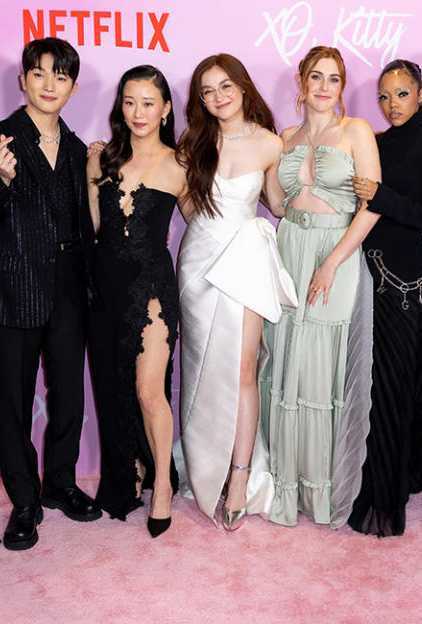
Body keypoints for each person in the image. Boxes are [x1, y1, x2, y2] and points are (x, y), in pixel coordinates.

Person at [0, 37, 101, 552]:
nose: (49, 85)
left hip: (68, 286)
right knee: (13, 400)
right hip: (12, 284)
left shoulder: (76, 147)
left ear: (72, 85)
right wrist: (0, 178)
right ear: (22, 80)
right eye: (39, 74)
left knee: (68, 393)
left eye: (60, 77)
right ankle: (24, 501)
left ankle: (60, 483)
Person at [174, 54, 297, 530]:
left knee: (244, 368)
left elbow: (278, 205)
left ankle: (240, 478)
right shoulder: (192, 142)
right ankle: (207, 463)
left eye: (225, 86)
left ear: (243, 87)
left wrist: (313, 178)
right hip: (199, 265)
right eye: (207, 91)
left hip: (245, 259)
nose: (218, 97)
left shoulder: (270, 143)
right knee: (201, 367)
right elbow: (187, 204)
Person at [260, 45, 380, 529]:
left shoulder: (357, 131)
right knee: (285, 358)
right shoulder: (284, 138)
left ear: (342, 86)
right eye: (316, 77)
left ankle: (320, 490)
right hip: (291, 248)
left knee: (318, 369)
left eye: (334, 78)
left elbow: (371, 206)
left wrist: (330, 261)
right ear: (302, 82)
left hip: (338, 253)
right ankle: (282, 483)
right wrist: (294, 215)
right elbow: (273, 200)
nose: (324, 87)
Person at [347, 59, 422, 537]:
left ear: (420, 94)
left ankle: (384, 499)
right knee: (365, 388)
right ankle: (374, 477)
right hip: (361, 273)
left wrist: (381, 196)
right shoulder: (372, 142)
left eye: (402, 94)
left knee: (391, 388)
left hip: (404, 284)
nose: (393, 104)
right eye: (385, 96)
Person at [87, 65, 188, 538]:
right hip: (105, 288)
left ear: (167, 109)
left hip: (151, 287)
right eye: (130, 102)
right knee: (113, 390)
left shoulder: (182, 163)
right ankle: (129, 474)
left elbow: (205, 223)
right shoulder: (101, 159)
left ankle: (164, 484)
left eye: (149, 102)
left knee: (150, 392)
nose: (138, 112)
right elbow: (93, 231)